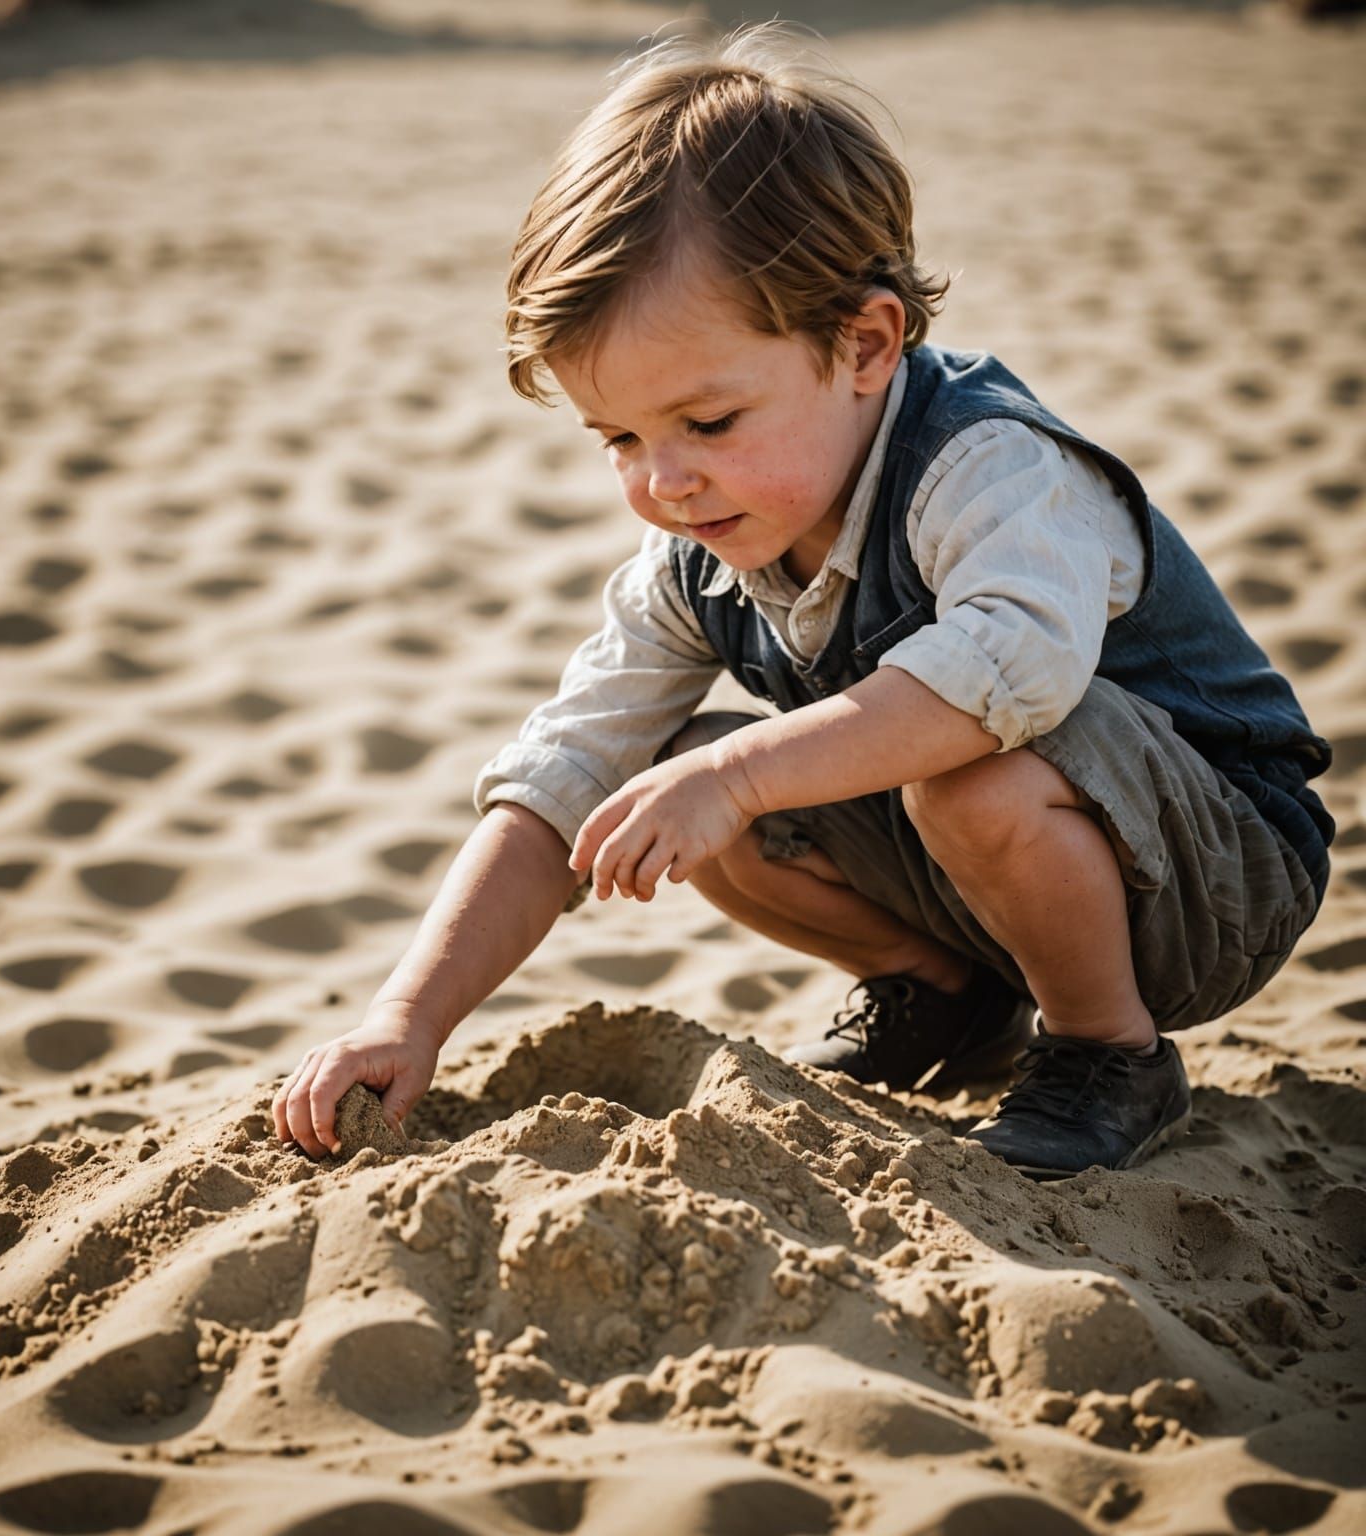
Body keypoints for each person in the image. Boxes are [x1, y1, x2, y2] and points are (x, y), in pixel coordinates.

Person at [270, 25, 1332, 1180]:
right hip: (983, 872)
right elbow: (559, 781)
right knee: (661, 774)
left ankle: (1109, 1054)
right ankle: (944, 999)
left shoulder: (991, 470)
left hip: (1218, 875)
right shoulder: (699, 557)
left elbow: (1004, 678)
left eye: (709, 423)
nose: (664, 481)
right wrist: (407, 1017)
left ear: (866, 342)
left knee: (935, 758)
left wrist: (737, 776)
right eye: (619, 437)